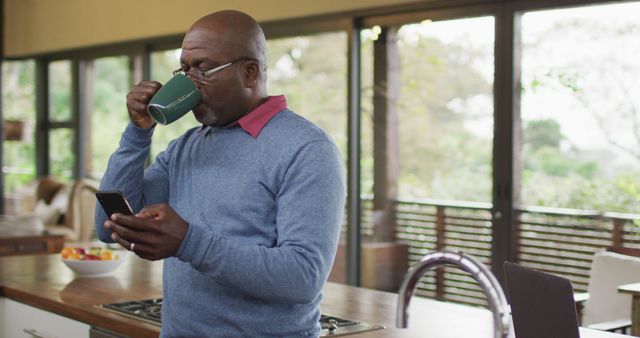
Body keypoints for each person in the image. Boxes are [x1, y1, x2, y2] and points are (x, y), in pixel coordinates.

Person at [95, 10, 345, 338]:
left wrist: (188, 241)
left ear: (250, 73)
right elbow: (106, 227)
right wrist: (138, 132)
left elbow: (302, 277)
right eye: (185, 69)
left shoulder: (308, 149)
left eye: (204, 68)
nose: (189, 82)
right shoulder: (185, 147)